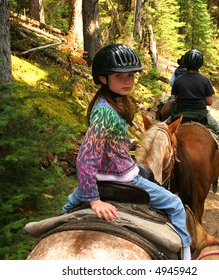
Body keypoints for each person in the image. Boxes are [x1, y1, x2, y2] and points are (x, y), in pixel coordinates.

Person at [61, 44, 192, 260]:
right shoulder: (105, 112)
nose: (127, 81)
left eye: (131, 76)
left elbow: (105, 139)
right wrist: (94, 200)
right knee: (176, 205)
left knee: (66, 210)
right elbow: (85, 158)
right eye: (120, 76)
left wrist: (124, 143)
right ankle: (187, 258)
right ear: (103, 78)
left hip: (108, 172)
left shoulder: (108, 103)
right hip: (122, 177)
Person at [171, 49, 219, 173]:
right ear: (200, 64)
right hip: (201, 116)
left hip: (180, 116)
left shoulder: (178, 80)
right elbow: (209, 102)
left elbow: (176, 99)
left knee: (161, 129)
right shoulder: (205, 80)